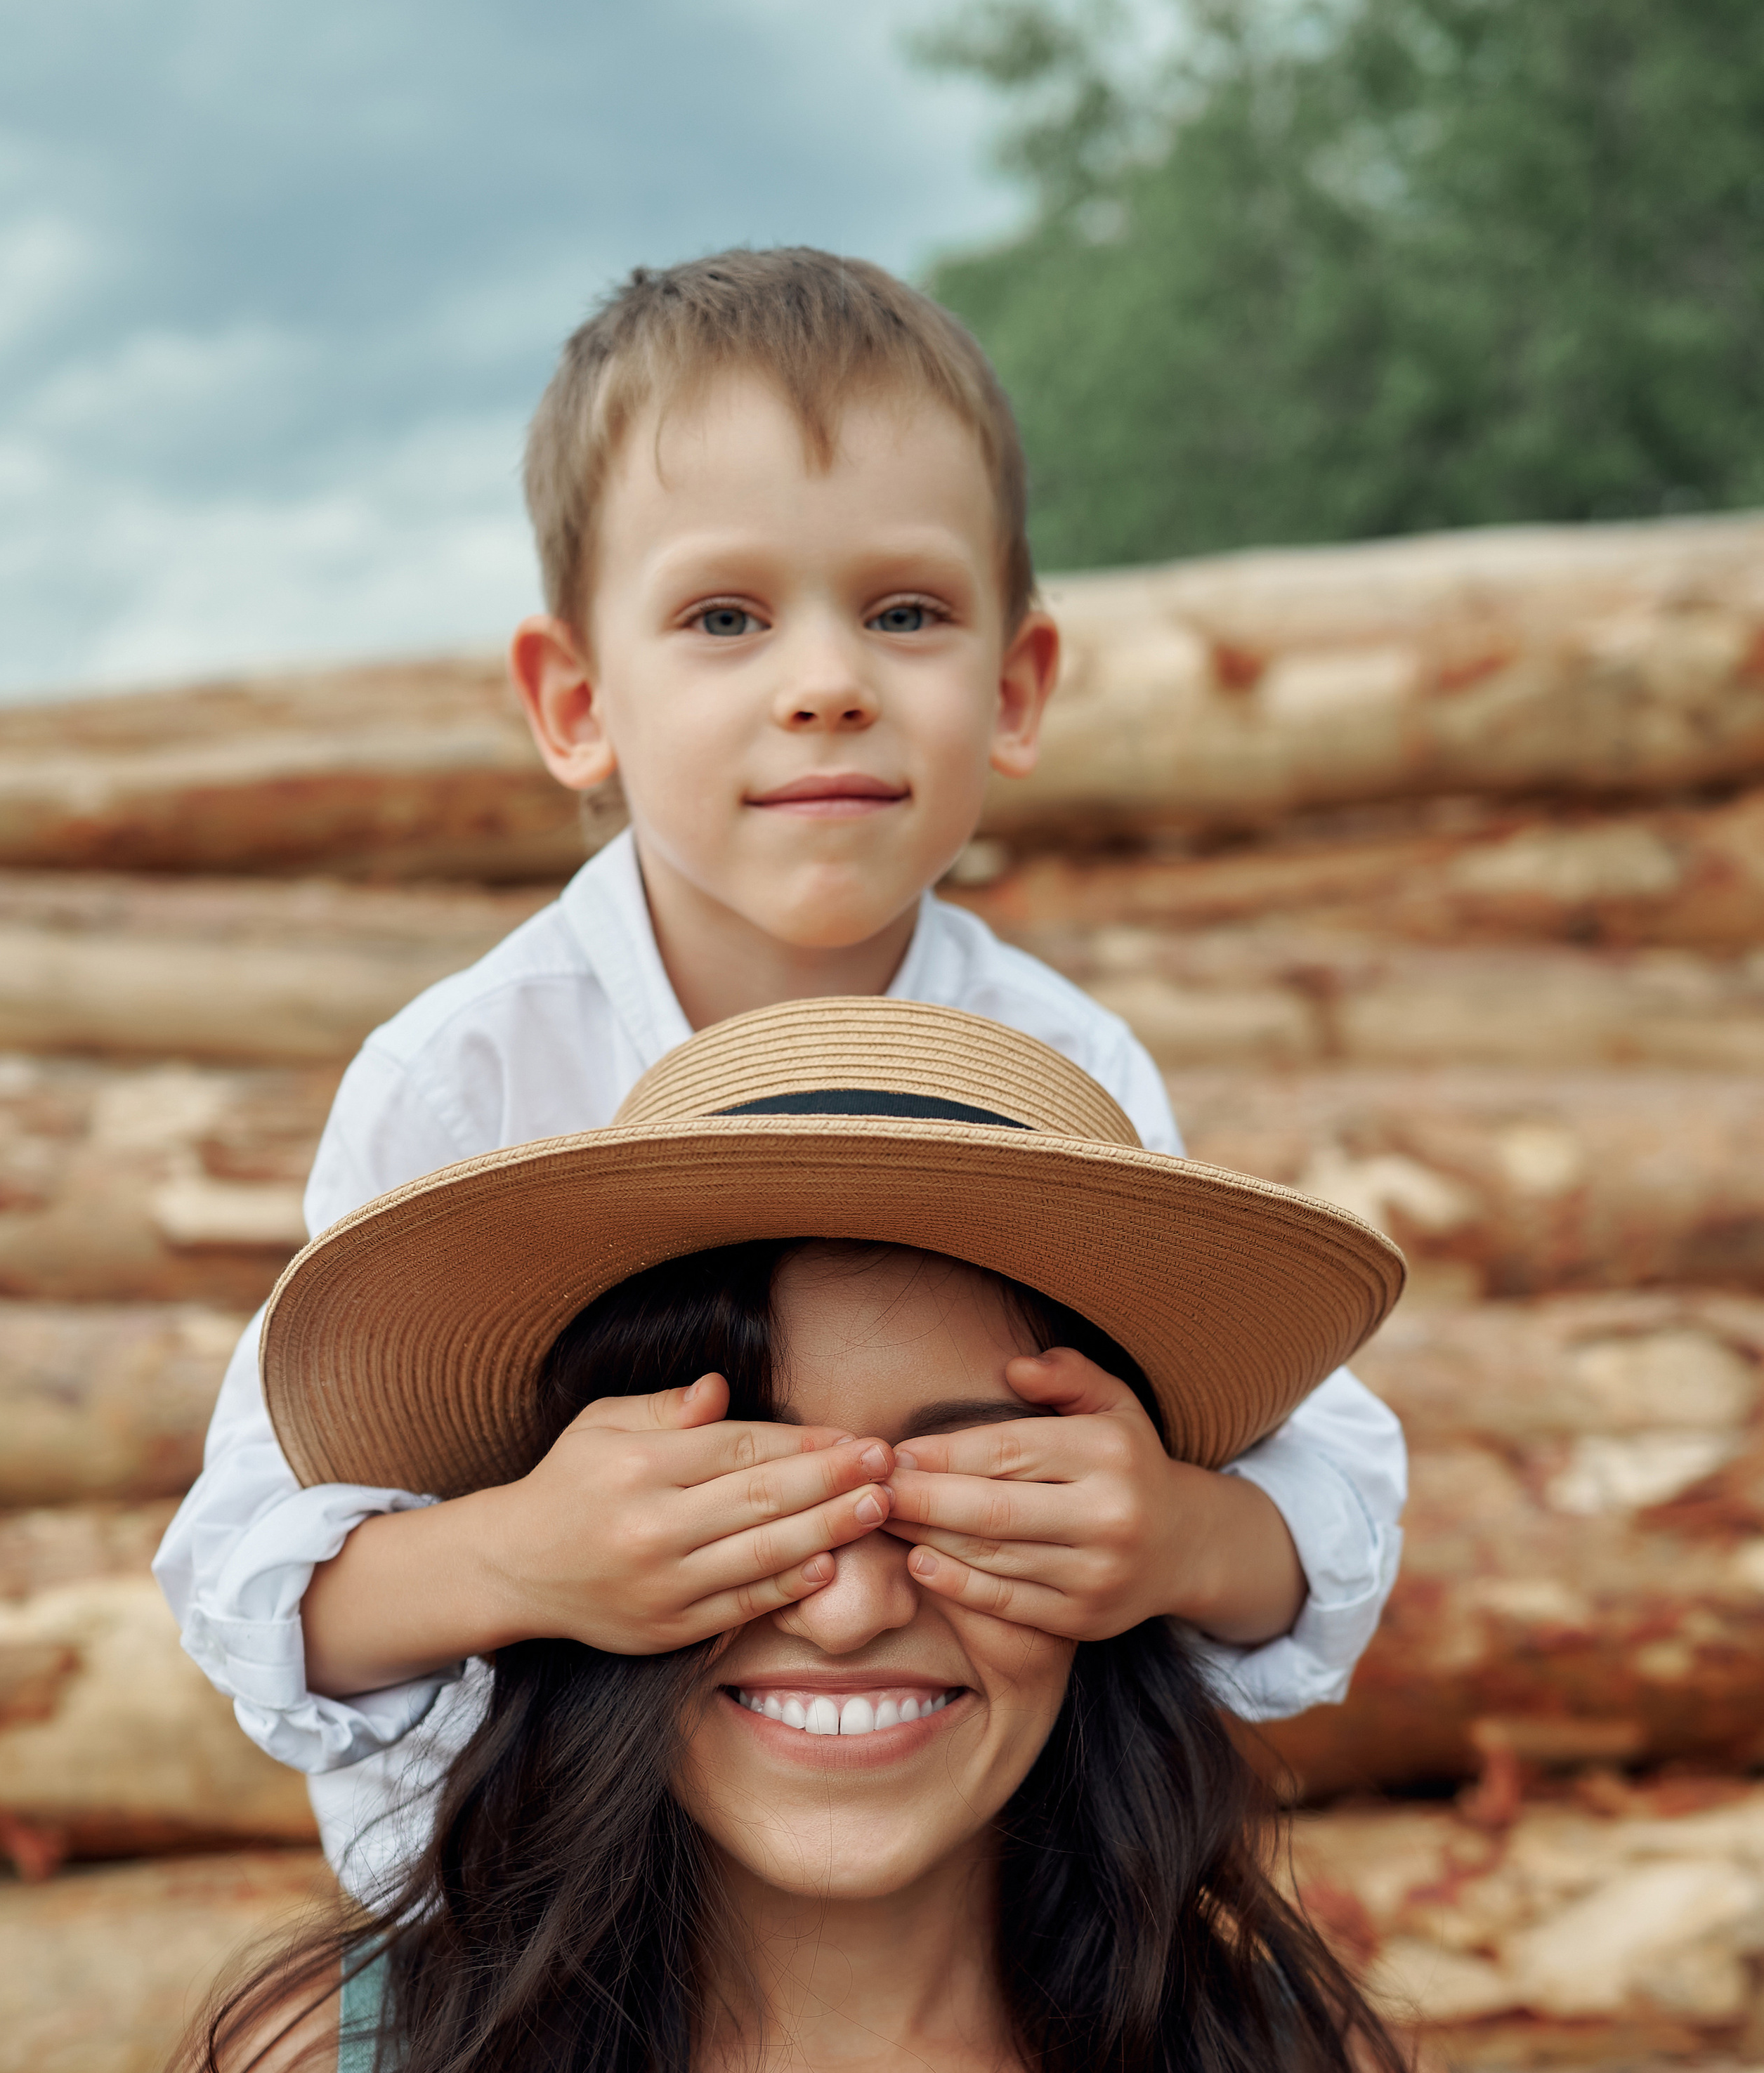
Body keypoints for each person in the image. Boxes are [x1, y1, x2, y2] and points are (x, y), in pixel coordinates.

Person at [93, 1007, 1529, 2073]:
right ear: (577, 1545)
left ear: (1124, 1552)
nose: (848, 1605)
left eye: (972, 1492)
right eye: (744, 1497)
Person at [152, 245, 1407, 1906]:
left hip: (941, 1896)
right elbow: (254, 1580)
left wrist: (1170, 1533)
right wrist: (521, 1554)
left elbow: (1315, 1494)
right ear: (576, 702)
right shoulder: (470, 1075)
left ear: (1015, 689)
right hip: (544, 1939)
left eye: (906, 611)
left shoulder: (1060, 1067)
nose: (827, 683)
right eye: (724, 617)